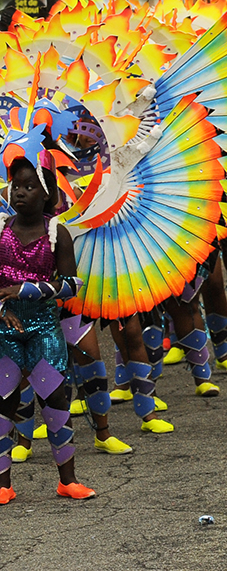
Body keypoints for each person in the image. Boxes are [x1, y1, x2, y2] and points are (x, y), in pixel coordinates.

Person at [0, 154, 95, 502]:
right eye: (16, 186)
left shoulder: (58, 233)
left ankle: (67, 481)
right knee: (3, 404)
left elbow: (71, 284)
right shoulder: (1, 230)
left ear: (47, 195)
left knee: (55, 402)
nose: (20, 192)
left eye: (30, 186)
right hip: (4, 330)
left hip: (44, 329)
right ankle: (2, 484)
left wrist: (25, 290)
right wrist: (1, 306)